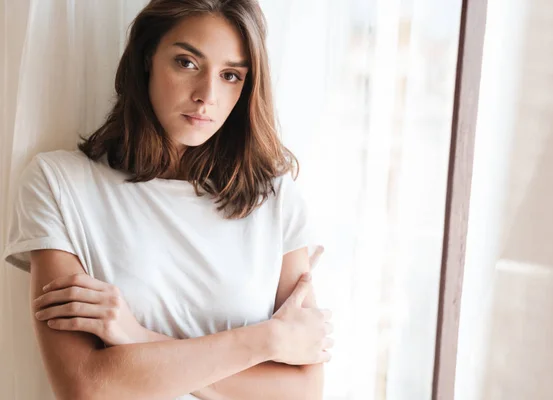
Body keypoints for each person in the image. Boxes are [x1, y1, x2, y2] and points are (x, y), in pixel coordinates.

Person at [2, 0, 332, 399]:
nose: (206, 95)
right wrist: (265, 342)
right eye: (187, 63)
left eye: (231, 75)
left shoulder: (275, 198)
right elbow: (85, 386)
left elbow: (302, 390)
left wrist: (136, 337)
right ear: (146, 58)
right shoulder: (58, 184)